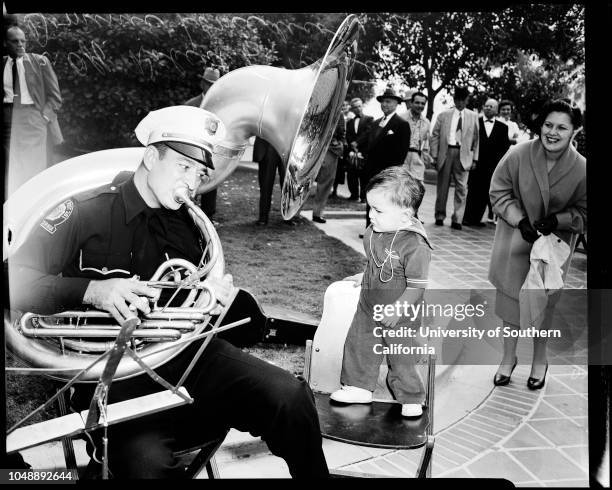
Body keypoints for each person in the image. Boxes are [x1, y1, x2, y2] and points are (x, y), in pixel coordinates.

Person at [7, 105, 329, 478]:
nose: (192, 184)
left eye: (200, 173)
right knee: (147, 465)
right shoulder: (83, 212)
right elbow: (12, 281)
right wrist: (93, 290)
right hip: (113, 376)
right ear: (150, 156)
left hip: (188, 358)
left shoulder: (188, 226)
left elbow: (232, 324)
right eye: (183, 167)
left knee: (290, 397)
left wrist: (222, 302)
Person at [488, 99, 586, 390]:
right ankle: (508, 358)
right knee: (510, 303)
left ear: (573, 133)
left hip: (552, 249)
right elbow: (499, 191)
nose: (552, 132)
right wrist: (519, 220)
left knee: (544, 306)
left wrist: (560, 220)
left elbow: (585, 212)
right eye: (548, 125)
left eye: (561, 127)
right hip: (515, 241)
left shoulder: (582, 169)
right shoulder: (518, 154)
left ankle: (539, 361)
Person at [330, 166, 432, 418]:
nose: (371, 216)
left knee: (401, 355)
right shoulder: (374, 232)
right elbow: (375, 262)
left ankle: (411, 396)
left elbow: (417, 286)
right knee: (359, 345)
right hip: (369, 304)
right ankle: (358, 386)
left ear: (405, 216)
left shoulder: (416, 246)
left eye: (378, 210)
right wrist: (364, 277)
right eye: (370, 208)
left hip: (401, 312)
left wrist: (398, 310)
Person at [3, 25, 63, 197]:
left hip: (32, 117)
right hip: (7, 117)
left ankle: (32, 201)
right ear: (6, 43)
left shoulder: (39, 61)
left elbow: (55, 97)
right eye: (15, 41)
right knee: (11, 165)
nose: (20, 45)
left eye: (23, 41)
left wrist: (43, 117)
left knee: (33, 167)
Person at [431, 85, 479, 230]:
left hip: (463, 156)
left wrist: (475, 158)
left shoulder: (473, 116)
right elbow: (435, 135)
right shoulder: (444, 115)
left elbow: (476, 139)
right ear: (454, 99)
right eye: (457, 100)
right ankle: (439, 215)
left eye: (462, 100)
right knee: (442, 187)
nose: (459, 103)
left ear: (467, 100)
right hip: (446, 153)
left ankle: (457, 218)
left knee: (462, 188)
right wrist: (434, 155)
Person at [362, 87, 411, 229]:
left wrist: (390, 174)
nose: (385, 105)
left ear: (396, 104)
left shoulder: (401, 124)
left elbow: (401, 154)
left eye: (388, 102)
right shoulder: (376, 122)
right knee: (371, 201)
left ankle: (382, 230)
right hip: (371, 171)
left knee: (384, 204)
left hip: (386, 173)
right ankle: (369, 229)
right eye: (383, 102)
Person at [463, 98, 510, 227]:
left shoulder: (503, 127)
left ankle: (477, 219)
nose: (489, 108)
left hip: (492, 167)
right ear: (483, 107)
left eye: (492, 107)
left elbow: (504, 148)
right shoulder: (475, 123)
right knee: (472, 191)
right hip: (476, 164)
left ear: (497, 110)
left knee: (485, 192)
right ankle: (467, 218)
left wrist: (500, 166)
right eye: (487, 106)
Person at [184, 67, 220, 223]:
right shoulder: (190, 105)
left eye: (214, 84)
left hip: (211, 153)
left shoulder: (221, 107)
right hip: (192, 152)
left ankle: (208, 218)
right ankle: (186, 215)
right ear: (202, 84)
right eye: (208, 83)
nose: (211, 87)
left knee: (210, 184)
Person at [402, 91, 432, 221]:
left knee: (419, 188)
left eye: (423, 104)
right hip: (402, 155)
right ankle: (402, 214)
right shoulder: (402, 118)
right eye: (417, 102)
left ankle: (413, 212)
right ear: (411, 103)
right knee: (402, 187)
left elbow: (426, 143)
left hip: (417, 157)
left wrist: (427, 157)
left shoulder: (426, 122)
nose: (420, 106)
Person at [312, 115, 346, 223]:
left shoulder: (339, 113)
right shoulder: (317, 106)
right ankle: (294, 213)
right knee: (305, 179)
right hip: (312, 147)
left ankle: (317, 213)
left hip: (330, 150)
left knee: (326, 183)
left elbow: (342, 132)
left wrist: (339, 144)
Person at [345, 97, 373, 202]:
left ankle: (364, 197)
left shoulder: (369, 119)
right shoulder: (350, 122)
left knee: (364, 176)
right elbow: (348, 135)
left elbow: (368, 133)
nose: (358, 108)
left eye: (359, 106)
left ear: (362, 106)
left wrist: (357, 142)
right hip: (352, 151)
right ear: (352, 109)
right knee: (352, 175)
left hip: (364, 151)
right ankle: (354, 195)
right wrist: (352, 145)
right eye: (355, 107)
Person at [253, 136, 284, 225]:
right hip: (267, 146)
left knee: (288, 185)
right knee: (265, 185)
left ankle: (288, 216)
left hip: (286, 146)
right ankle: (263, 217)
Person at [331, 100, 354, 198]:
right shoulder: (338, 115)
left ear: (349, 107)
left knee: (340, 170)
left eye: (346, 105)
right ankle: (332, 190)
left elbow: (343, 132)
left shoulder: (351, 117)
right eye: (342, 105)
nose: (344, 107)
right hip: (335, 146)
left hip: (342, 147)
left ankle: (335, 190)